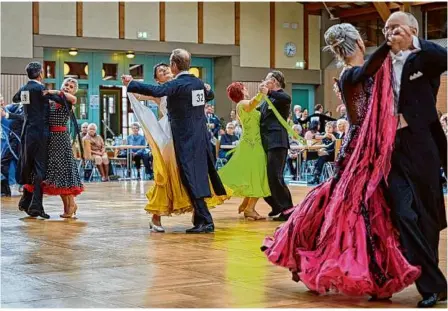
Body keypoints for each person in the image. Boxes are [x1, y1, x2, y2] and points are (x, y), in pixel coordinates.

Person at [262, 23, 420, 300]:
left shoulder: (362, 70)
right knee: (355, 206)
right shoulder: (350, 74)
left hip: (367, 146)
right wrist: (387, 45)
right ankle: (356, 268)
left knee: (368, 205)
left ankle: (372, 271)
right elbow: (367, 71)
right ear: (359, 40)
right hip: (357, 149)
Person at [123, 48, 227, 233]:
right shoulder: (196, 82)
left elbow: (160, 90)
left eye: (167, 68)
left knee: (188, 175)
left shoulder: (177, 85)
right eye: (161, 71)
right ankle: (199, 218)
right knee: (180, 176)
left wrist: (132, 83)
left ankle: (203, 219)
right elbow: (204, 95)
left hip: (184, 137)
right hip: (188, 137)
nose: (165, 71)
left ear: (174, 66)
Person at [383, 12, 447, 308]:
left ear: (411, 29)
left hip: (422, 146)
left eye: (396, 27)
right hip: (392, 149)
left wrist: (417, 43)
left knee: (427, 217)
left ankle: (431, 286)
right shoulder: (382, 62)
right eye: (386, 27)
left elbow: (445, 58)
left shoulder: (425, 58)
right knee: (402, 212)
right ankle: (433, 281)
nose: (389, 32)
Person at [23, 78, 84, 218]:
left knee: (63, 174)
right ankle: (69, 206)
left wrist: (55, 91)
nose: (68, 87)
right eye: (66, 85)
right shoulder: (52, 101)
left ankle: (71, 206)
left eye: (71, 86)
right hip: (49, 139)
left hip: (61, 139)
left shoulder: (68, 100)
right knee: (56, 175)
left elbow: (73, 99)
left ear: (74, 90)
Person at [218, 83, 270, 220]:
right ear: (241, 90)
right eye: (244, 87)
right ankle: (250, 208)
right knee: (258, 175)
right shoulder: (242, 104)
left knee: (253, 175)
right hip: (252, 145)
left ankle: (247, 205)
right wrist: (261, 93)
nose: (246, 88)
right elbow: (252, 104)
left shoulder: (242, 104)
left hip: (252, 144)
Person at [13, 62, 52, 219]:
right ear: (40, 73)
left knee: (29, 167)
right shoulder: (40, 88)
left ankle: (26, 202)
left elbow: (15, 99)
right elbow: (59, 98)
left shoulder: (24, 89)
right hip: (40, 133)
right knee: (39, 169)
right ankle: (36, 206)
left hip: (27, 132)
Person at [257, 70, 293, 221]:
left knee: (276, 177)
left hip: (278, 141)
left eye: (267, 80)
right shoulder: (267, 100)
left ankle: (288, 209)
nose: (264, 82)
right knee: (269, 177)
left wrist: (268, 93)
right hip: (267, 142)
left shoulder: (281, 97)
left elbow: (286, 98)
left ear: (275, 81)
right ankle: (277, 205)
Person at [1, 96, 24, 197]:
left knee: (12, 162)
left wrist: (5, 114)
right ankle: (9, 187)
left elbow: (23, 117)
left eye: (2, 100)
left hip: (12, 140)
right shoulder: (13, 107)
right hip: (5, 141)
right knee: (8, 162)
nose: (1, 102)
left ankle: (13, 185)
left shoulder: (7, 110)